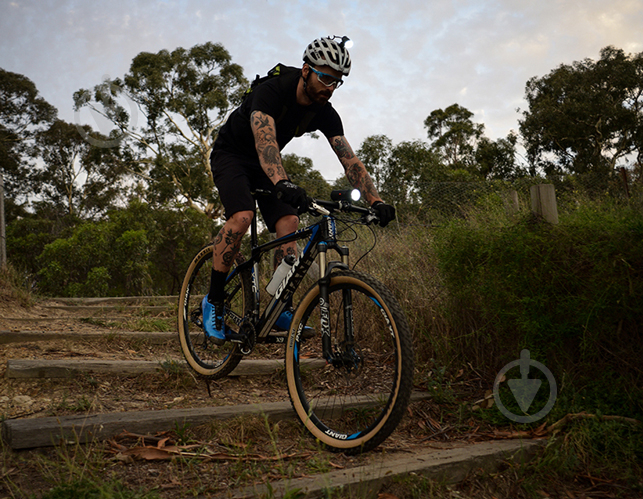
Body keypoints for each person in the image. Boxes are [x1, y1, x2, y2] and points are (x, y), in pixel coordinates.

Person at [203, 36, 396, 344]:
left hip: (265, 165)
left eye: (337, 81)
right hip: (233, 156)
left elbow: (349, 159)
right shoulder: (271, 91)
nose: (330, 86)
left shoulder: (325, 111)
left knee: (290, 224)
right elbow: (265, 144)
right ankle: (213, 301)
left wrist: (376, 200)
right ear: (306, 70)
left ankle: (280, 306)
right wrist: (282, 183)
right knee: (241, 217)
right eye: (325, 77)